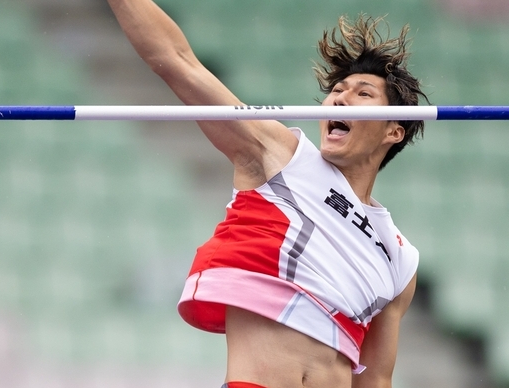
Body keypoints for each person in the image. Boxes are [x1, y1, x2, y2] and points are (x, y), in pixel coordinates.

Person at [107, 1, 429, 387]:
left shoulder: (400, 259)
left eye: (362, 94)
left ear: (394, 131)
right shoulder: (280, 155)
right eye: (336, 91)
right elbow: (178, 62)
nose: (339, 99)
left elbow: (376, 379)